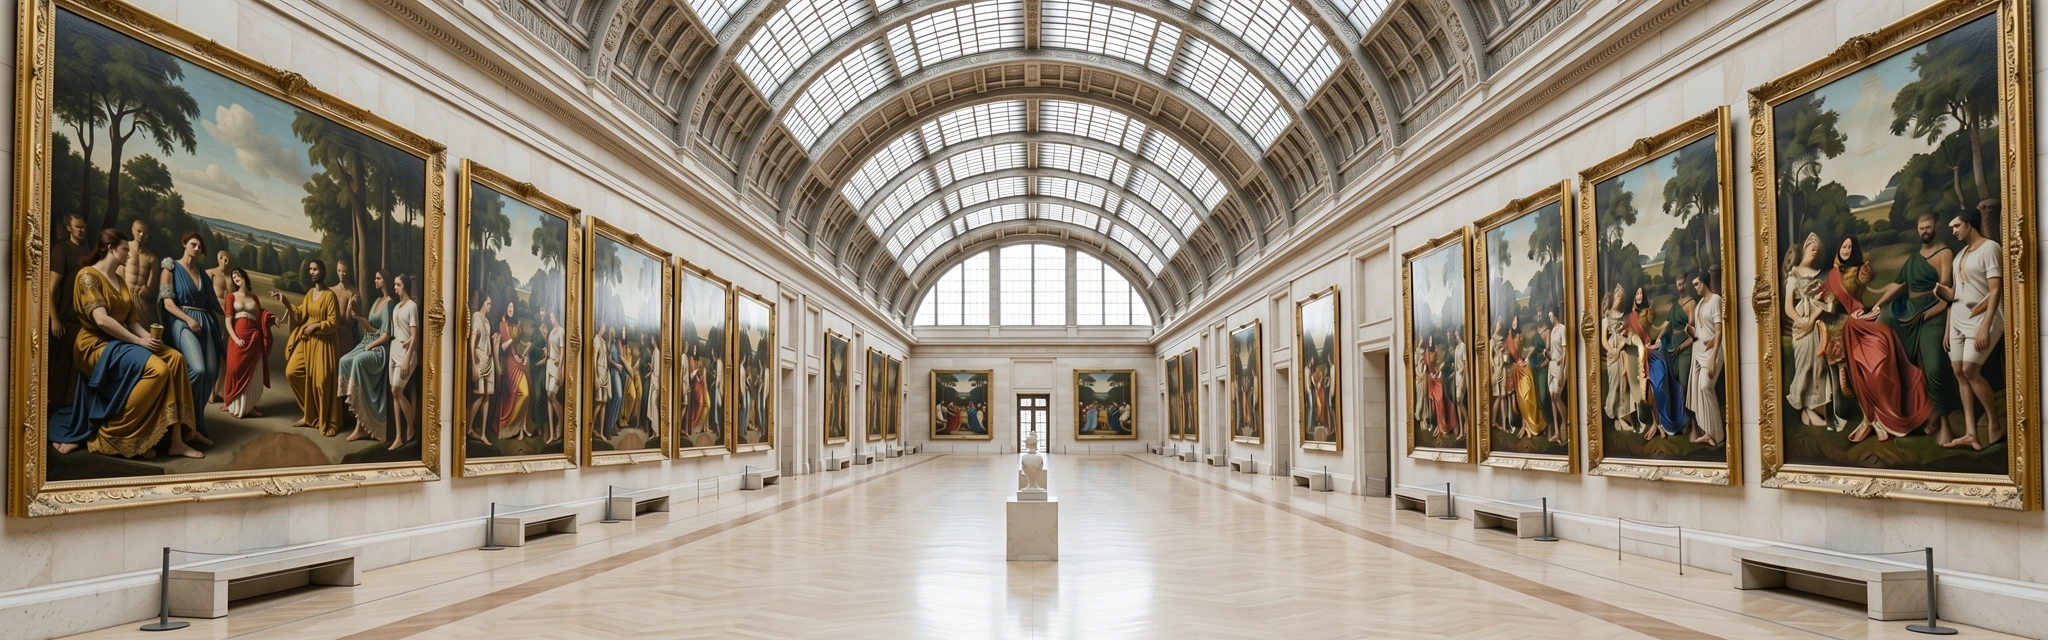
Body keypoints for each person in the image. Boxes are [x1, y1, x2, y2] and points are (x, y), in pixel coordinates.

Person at [48, 229, 204, 459]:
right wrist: (138, 341)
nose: (129, 254)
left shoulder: (119, 280)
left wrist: (147, 339)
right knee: (158, 370)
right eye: (124, 249)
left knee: (175, 359)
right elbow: (101, 320)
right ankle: (110, 434)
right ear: (110, 248)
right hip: (95, 346)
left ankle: (177, 440)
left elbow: (131, 320)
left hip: (121, 341)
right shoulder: (88, 276)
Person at [1821, 235, 1935, 443]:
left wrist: (1865, 271)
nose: (1846, 249)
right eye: (1843, 246)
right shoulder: (1832, 276)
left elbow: (1865, 280)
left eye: (1850, 246)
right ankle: (1871, 417)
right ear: (1838, 249)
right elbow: (1829, 305)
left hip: (1866, 322)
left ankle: (1891, 416)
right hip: (1846, 327)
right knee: (1863, 373)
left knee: (1882, 361)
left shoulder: (1858, 270)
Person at [1860, 213, 1960, 442]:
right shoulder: (1915, 257)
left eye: (1928, 227)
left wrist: (1930, 311)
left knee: (1934, 367)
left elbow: (1944, 288)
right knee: (1901, 362)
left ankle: (1944, 420)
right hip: (1908, 311)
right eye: (1921, 228)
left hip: (1932, 312)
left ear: (1936, 227)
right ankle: (1918, 414)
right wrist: (1877, 305)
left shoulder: (1945, 253)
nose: (1924, 231)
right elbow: (1898, 284)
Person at [1945, 207, 2004, 449]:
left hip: (1983, 318)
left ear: (1970, 224)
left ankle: (1994, 424)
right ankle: (1971, 433)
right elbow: (1955, 295)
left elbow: (1996, 290)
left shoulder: (1990, 248)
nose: (1954, 231)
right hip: (1957, 320)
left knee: (1970, 370)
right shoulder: (1959, 256)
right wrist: (1949, 328)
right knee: (1959, 372)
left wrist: (1985, 327)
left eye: (1957, 226)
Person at [160, 233, 225, 438]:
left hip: (204, 322)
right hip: (182, 320)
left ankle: (195, 423)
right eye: (193, 244)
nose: (196, 249)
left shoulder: (202, 273)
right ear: (184, 244)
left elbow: (213, 304)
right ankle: (175, 412)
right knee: (198, 369)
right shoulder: (170, 267)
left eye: (199, 246)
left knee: (211, 372)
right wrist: (189, 320)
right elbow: (168, 304)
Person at [274, 259, 346, 436]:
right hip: (307, 342)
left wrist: (317, 326)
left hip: (324, 343)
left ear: (322, 272)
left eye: (315, 269)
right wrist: (285, 301)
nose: (312, 272)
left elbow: (334, 322)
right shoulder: (309, 293)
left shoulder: (329, 296)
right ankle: (310, 414)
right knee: (292, 372)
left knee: (321, 382)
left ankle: (320, 417)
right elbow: (300, 314)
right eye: (310, 269)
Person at [1783, 236, 1839, 431]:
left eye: (1817, 250)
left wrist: (1813, 320)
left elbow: (1829, 302)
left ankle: (1815, 411)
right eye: (1811, 248)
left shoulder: (1819, 275)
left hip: (1815, 324)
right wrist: (1802, 322)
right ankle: (1804, 409)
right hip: (1800, 326)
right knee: (1804, 367)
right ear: (1805, 248)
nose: (1814, 252)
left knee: (1818, 367)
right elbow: (1788, 307)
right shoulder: (1794, 274)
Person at [338, 271, 393, 442]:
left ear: (386, 281)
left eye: (378, 278)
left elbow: (386, 335)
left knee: (358, 361)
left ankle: (360, 428)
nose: (375, 280)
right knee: (344, 361)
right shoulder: (377, 301)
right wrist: (358, 318)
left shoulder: (390, 304)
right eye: (375, 277)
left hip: (380, 348)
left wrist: (370, 346)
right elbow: (371, 328)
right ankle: (355, 414)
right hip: (368, 341)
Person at [47, 214, 91, 409]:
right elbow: (50, 290)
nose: (81, 230)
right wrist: (54, 319)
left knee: (76, 370)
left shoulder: (86, 252)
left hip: (80, 320)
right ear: (69, 228)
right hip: (63, 321)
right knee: (61, 370)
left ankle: (69, 411)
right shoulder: (61, 250)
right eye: (77, 227)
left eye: (83, 227)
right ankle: (54, 410)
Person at [222, 268, 278, 419]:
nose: (235, 278)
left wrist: (271, 318)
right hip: (238, 337)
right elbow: (228, 321)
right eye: (233, 276)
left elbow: (261, 316)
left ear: (244, 276)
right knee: (235, 369)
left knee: (253, 374)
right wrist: (235, 338)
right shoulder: (230, 297)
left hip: (254, 338)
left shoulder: (254, 297)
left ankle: (250, 407)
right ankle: (233, 403)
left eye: (238, 275)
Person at [1687, 273, 1726, 445]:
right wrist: (1690, 331)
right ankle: (1708, 432)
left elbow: (1718, 331)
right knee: (1699, 391)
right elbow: (1700, 333)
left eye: (1697, 284)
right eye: (1694, 285)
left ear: (1704, 282)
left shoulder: (1716, 300)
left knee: (1705, 387)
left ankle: (1718, 435)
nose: (1695, 287)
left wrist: (1712, 357)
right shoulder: (1699, 306)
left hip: (1712, 353)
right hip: (1698, 352)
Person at [1601, 287, 1641, 433]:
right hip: (1612, 353)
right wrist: (1612, 351)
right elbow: (1604, 340)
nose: (1619, 295)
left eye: (1621, 294)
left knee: (1625, 384)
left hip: (1623, 352)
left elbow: (1628, 334)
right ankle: (1616, 416)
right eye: (1616, 293)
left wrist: (1619, 349)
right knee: (1615, 384)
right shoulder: (1606, 318)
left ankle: (1624, 417)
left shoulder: (1625, 317)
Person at [493, 300, 533, 440]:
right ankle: (509, 428)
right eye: (509, 306)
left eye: (513, 307)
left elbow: (519, 345)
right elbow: (503, 348)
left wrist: (524, 357)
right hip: (509, 362)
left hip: (516, 360)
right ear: (505, 308)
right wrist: (512, 339)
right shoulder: (502, 325)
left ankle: (521, 428)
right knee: (521, 394)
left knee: (527, 395)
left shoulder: (514, 325)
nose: (511, 309)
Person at [388, 274, 419, 451]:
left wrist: (408, 357)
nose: (395, 288)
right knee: (395, 394)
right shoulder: (397, 307)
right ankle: (399, 436)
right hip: (394, 352)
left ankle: (411, 427)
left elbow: (414, 334)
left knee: (396, 390)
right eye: (394, 284)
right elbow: (399, 331)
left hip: (406, 355)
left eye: (397, 284)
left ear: (404, 286)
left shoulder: (412, 306)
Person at [467, 296, 498, 445]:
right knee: (479, 396)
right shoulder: (476, 317)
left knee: (487, 397)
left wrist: (494, 341)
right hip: (479, 359)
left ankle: (483, 433)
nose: (490, 306)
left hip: (489, 360)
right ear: (482, 304)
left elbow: (486, 341)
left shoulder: (487, 322)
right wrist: (473, 364)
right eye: (488, 303)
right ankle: (468, 428)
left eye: (491, 303)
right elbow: (472, 342)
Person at [1510, 316, 1547, 439]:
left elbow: (1528, 349)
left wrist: (1525, 359)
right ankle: (1525, 425)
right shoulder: (1509, 339)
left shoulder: (1524, 333)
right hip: (1517, 370)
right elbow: (1510, 357)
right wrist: (1517, 364)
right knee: (1522, 399)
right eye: (1513, 320)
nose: (1515, 322)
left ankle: (1534, 426)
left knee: (1530, 395)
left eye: (1516, 320)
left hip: (1526, 368)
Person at [204, 249, 233, 404]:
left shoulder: (232, 278)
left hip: (227, 319)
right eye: (223, 259)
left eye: (228, 260)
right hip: (213, 316)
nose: (225, 262)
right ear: (218, 258)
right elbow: (204, 295)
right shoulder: (210, 273)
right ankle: (208, 391)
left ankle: (216, 392)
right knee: (211, 352)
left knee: (224, 355)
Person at [122, 219, 160, 327]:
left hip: (141, 300)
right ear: (132, 230)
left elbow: (151, 287)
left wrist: (144, 292)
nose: (141, 235)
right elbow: (117, 272)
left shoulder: (152, 259)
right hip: (124, 295)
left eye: (145, 233)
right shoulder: (124, 248)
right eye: (139, 231)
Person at [1545, 311, 1569, 440]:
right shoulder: (1553, 330)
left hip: (1561, 366)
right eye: (1548, 317)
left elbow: (1565, 352)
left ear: (1555, 315)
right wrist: (1547, 354)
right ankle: (1556, 433)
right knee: (1552, 397)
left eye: (1550, 316)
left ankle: (1565, 425)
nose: (1550, 318)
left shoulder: (1562, 329)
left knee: (1556, 396)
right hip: (1552, 365)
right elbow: (1553, 353)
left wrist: (1561, 372)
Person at [544, 310, 565, 444]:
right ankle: (551, 434)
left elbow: (563, 352)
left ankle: (561, 424)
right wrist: (547, 353)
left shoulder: (561, 331)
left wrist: (559, 371)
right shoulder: (551, 332)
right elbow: (550, 349)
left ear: (556, 316)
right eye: (550, 317)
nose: (551, 319)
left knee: (552, 396)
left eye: (552, 317)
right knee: (548, 397)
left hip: (557, 367)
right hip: (549, 364)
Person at [592, 327, 615, 439]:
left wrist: (610, 340)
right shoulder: (596, 339)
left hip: (605, 374)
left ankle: (600, 432)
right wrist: (595, 377)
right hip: (599, 373)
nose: (605, 329)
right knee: (599, 402)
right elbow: (594, 359)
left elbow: (607, 356)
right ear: (600, 328)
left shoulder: (603, 341)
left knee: (604, 401)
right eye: (603, 327)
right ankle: (590, 429)